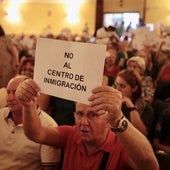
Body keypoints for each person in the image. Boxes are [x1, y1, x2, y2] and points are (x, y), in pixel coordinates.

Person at [15, 78, 159, 170]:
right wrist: (28, 106)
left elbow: (151, 166)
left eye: (93, 115)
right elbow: (36, 133)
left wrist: (119, 119)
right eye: (80, 114)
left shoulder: (122, 146)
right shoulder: (71, 134)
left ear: (108, 120)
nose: (83, 122)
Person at [0, 75, 61, 170]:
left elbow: (50, 168)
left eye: (16, 92)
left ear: (32, 94)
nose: (10, 98)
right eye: (8, 92)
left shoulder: (48, 125)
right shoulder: (1, 114)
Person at [114, 69, 154, 139]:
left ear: (134, 88)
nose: (117, 89)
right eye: (116, 85)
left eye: (122, 86)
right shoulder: (115, 101)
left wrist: (131, 107)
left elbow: (142, 134)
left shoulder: (146, 107)